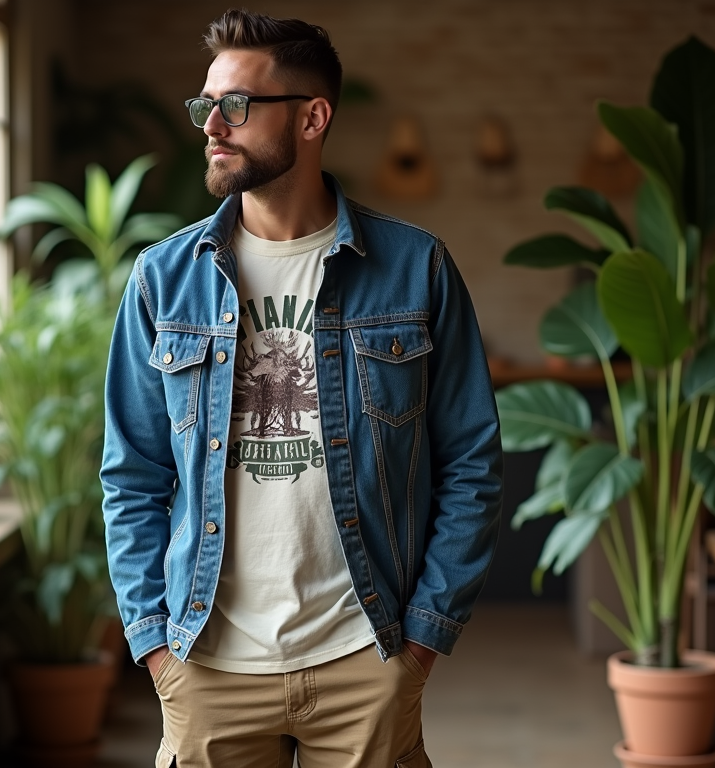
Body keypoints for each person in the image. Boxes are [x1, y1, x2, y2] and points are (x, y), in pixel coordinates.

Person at [100, 9, 503, 767]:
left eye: (237, 105)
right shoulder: (164, 279)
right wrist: (157, 649)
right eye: (206, 105)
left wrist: (421, 642)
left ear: (313, 117)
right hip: (208, 662)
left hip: (367, 654)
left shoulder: (416, 269)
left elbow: (472, 462)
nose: (212, 125)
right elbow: (132, 473)